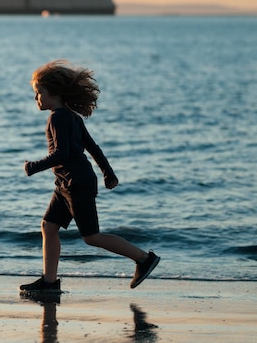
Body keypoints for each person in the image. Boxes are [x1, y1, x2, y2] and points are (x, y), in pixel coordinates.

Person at [20, 60, 159, 293]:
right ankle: (49, 282)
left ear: (54, 93)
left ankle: (144, 259)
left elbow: (61, 154)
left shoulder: (58, 118)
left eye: (39, 93)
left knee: (92, 237)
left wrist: (33, 166)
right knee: (49, 226)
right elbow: (92, 147)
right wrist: (108, 173)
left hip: (77, 184)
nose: (36, 99)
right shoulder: (71, 117)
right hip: (67, 183)